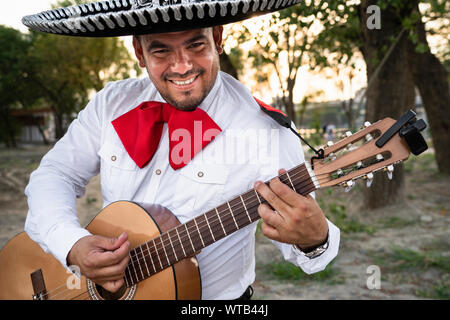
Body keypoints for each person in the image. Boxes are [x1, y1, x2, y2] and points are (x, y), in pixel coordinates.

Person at [22, 0, 340, 300]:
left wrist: (315, 238)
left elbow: (304, 246)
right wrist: (71, 244)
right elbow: (55, 173)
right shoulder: (111, 104)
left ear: (217, 37)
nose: (182, 66)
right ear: (139, 51)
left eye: (195, 45)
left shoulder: (265, 129)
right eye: (161, 51)